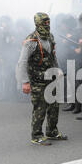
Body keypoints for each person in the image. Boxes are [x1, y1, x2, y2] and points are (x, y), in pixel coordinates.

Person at [17, 12, 68, 145]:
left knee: (54, 106)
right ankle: (37, 135)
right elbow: (22, 62)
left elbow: (53, 56)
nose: (47, 25)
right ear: (38, 24)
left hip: (51, 78)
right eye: (44, 22)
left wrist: (58, 70)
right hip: (37, 80)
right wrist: (25, 82)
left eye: (48, 22)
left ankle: (52, 131)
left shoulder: (50, 37)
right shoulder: (31, 41)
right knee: (40, 108)